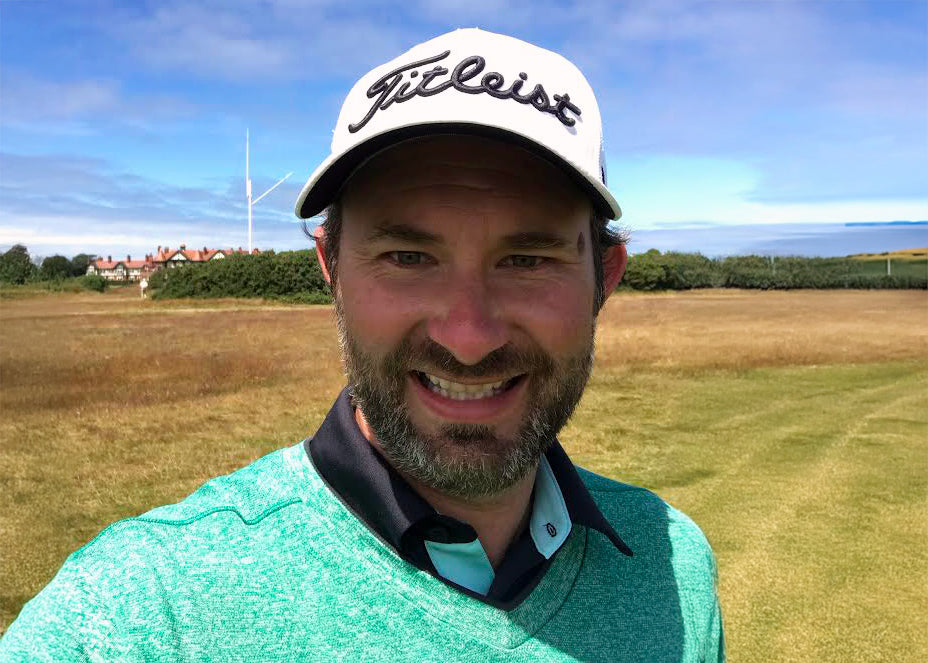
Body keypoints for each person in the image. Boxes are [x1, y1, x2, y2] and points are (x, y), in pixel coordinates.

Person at [1, 29, 724, 661]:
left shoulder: (674, 568)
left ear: (606, 278)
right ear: (331, 270)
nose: (467, 336)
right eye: (409, 257)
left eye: (527, 259)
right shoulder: (148, 608)